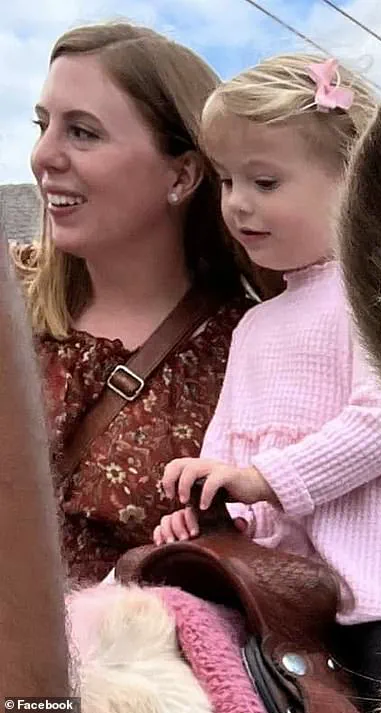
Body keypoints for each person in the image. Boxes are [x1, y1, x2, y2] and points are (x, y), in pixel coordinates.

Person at [154, 53, 381, 712]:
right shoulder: (254, 327)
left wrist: (266, 479)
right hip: (277, 593)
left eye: (265, 180)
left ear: (353, 183)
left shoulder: (377, 294)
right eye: (227, 181)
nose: (238, 203)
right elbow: (227, 456)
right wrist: (205, 503)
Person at [12, 21, 282, 585]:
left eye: (82, 133)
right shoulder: (10, 309)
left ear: (182, 175)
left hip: (134, 662)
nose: (44, 155)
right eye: (43, 125)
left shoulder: (254, 350)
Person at [0, 235, 69, 697]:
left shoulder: (240, 333)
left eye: (92, 153)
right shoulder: (25, 301)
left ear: (183, 177)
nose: (46, 157)